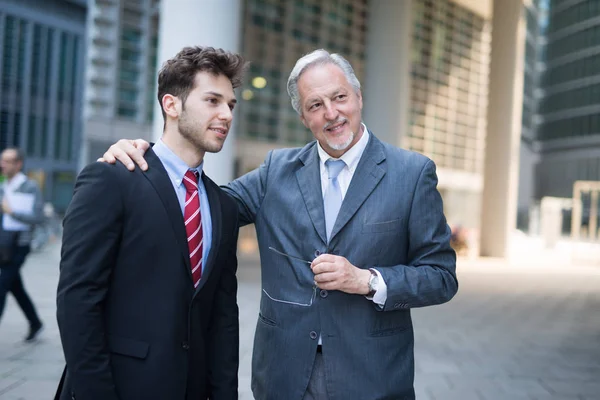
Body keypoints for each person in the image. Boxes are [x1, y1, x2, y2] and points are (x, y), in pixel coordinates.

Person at [102, 49, 458, 400]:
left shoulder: (411, 174)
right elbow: (204, 205)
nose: (332, 113)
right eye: (315, 105)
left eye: (339, 97)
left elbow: (441, 276)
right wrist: (150, 156)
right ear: (303, 117)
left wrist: (367, 281)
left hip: (371, 378)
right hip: (283, 377)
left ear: (358, 97)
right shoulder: (276, 171)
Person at [56, 46, 245, 400]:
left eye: (231, 105)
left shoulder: (224, 207)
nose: (226, 114)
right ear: (171, 105)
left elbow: (222, 319)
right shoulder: (111, 179)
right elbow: (78, 302)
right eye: (213, 101)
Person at [0, 147, 44, 342]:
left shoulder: (29, 186)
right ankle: (35, 322)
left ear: (18, 164)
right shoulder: (2, 186)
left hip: (19, 245)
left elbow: (37, 217)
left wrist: (12, 212)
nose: (3, 164)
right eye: (2, 160)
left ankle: (35, 323)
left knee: (2, 285)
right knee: (14, 286)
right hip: (3, 244)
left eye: (8, 161)